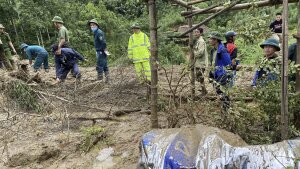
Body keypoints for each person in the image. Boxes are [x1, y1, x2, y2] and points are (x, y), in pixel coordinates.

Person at [208, 32, 232, 110]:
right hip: (215, 74)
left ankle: (227, 110)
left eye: (211, 39)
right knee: (218, 92)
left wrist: (226, 75)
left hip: (222, 74)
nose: (209, 40)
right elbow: (212, 63)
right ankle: (224, 109)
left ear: (216, 40)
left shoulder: (222, 50)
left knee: (223, 94)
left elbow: (228, 64)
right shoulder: (212, 50)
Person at [193, 27, 208, 95]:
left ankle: (204, 91)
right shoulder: (198, 41)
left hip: (201, 63)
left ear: (201, 33)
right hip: (198, 63)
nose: (195, 33)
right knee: (199, 77)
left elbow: (200, 52)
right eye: (195, 32)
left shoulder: (201, 41)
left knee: (200, 77)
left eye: (197, 32)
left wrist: (193, 54)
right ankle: (203, 90)